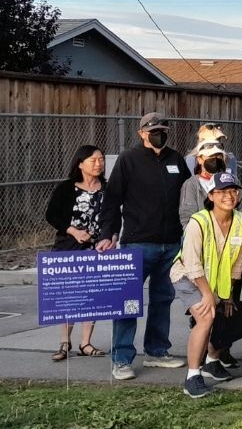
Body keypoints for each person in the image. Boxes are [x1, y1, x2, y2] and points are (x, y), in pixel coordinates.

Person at [97, 112, 190, 380]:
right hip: (137, 243)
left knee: (163, 299)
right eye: (154, 130)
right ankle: (122, 358)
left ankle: (157, 352)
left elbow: (187, 195)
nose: (159, 134)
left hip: (171, 243)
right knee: (127, 302)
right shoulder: (129, 159)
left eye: (163, 130)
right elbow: (112, 200)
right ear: (141, 133)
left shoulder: (175, 159)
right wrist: (108, 232)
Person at [169, 172, 242, 399]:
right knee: (206, 317)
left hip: (216, 282)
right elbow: (193, 264)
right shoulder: (198, 222)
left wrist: (229, 296)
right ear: (211, 195)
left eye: (234, 190)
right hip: (187, 276)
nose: (229, 196)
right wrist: (207, 295)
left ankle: (212, 361)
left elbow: (237, 263)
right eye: (222, 191)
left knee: (228, 316)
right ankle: (192, 377)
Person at [45, 144, 108, 360]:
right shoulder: (66, 188)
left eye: (101, 159)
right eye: (93, 160)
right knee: (69, 297)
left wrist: (112, 237)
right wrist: (73, 231)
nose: (98, 164)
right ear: (80, 164)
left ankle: (86, 343)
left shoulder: (107, 188)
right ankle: (64, 342)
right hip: (68, 248)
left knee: (91, 297)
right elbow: (51, 215)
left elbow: (113, 218)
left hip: (96, 249)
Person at [179, 139, 242, 229]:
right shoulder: (191, 184)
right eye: (211, 157)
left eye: (219, 156)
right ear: (199, 159)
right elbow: (187, 217)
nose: (215, 160)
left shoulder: (233, 181)